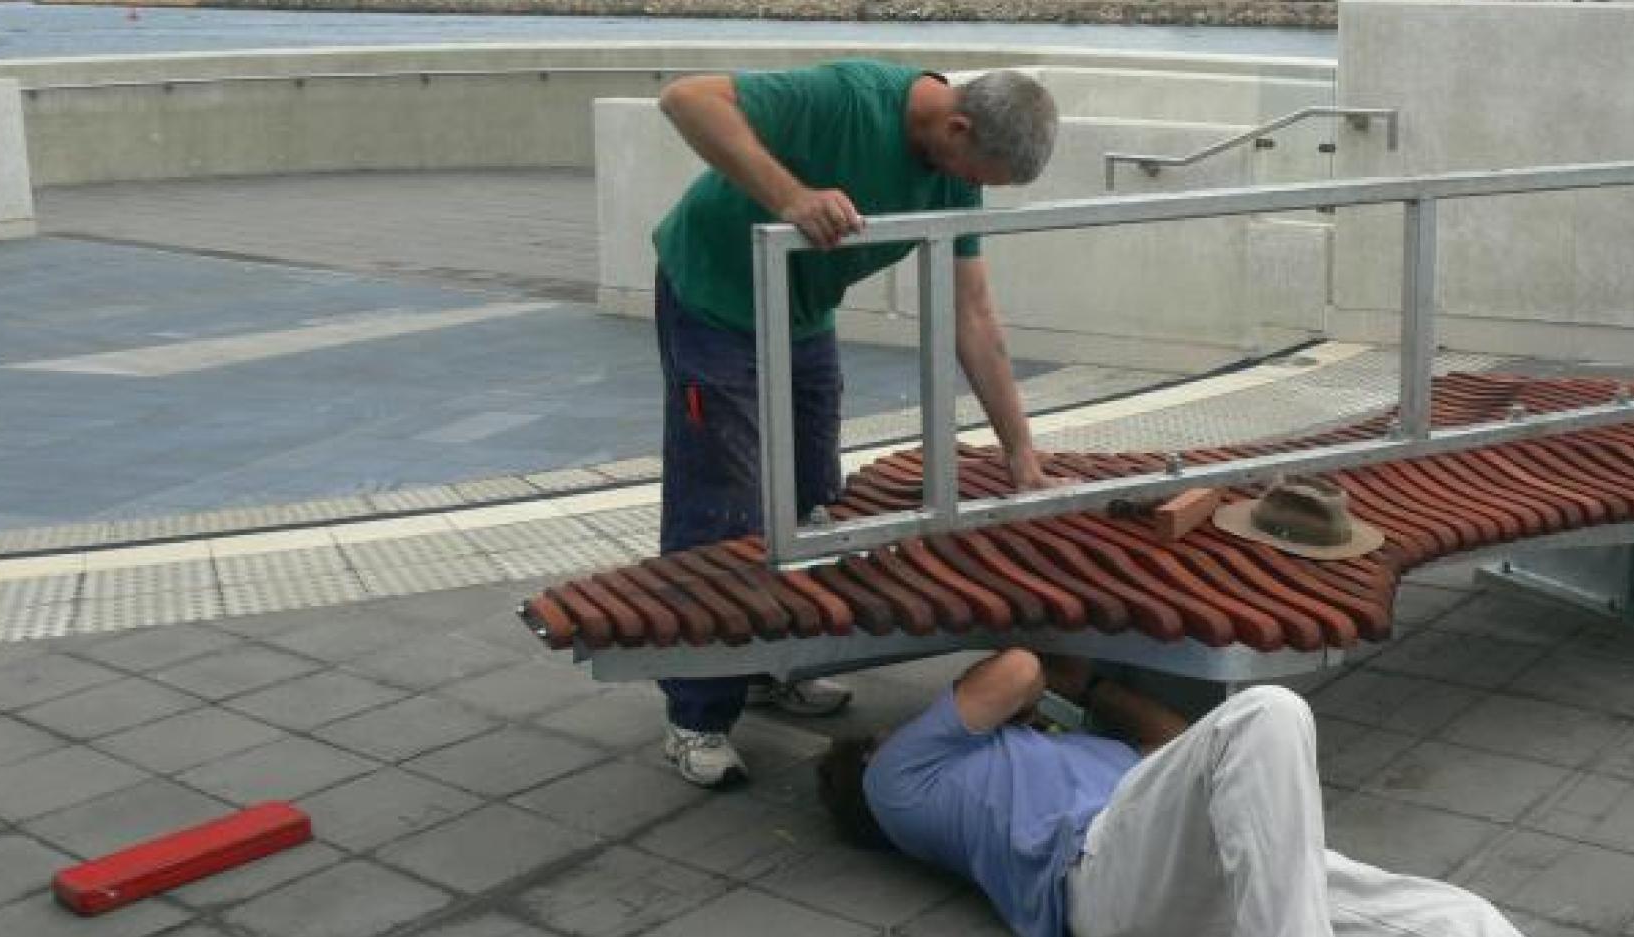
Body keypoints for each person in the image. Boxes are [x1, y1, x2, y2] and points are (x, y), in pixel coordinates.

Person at [650, 61, 1062, 788]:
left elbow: (972, 314)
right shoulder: (845, 98)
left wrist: (1019, 448)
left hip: (802, 313)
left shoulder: (955, 168)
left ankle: (775, 663)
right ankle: (697, 714)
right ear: (957, 126)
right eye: (983, 174)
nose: (974, 189)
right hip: (714, 299)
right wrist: (791, 196)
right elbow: (684, 98)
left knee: (815, 499)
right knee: (724, 507)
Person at [818, 649, 1524, 937]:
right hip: (1097, 871)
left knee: (1466, 918)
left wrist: (1095, 689)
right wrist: (1047, 683)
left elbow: (1178, 745)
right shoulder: (893, 777)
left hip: (1190, 862)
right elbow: (1021, 667)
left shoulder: (1044, 750)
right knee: (1267, 711)